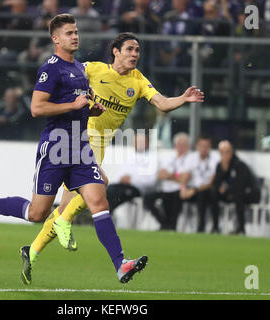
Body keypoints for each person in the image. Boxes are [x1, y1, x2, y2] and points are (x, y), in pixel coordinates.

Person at [0, 14, 148, 286]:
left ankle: (121, 264)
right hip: (57, 147)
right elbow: (37, 108)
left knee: (99, 200)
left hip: (81, 147)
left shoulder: (82, 71)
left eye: (76, 32)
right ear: (55, 39)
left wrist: (90, 108)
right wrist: (72, 106)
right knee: (36, 214)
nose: (75, 36)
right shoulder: (51, 68)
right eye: (69, 33)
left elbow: (80, 104)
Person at [24, 32, 203, 285]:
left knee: (65, 205)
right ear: (116, 52)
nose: (134, 55)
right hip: (80, 136)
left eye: (137, 50)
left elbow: (161, 103)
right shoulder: (93, 69)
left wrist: (183, 99)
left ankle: (31, 251)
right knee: (100, 184)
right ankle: (94, 244)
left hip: (100, 142)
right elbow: (65, 76)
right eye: (129, 49)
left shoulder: (138, 80)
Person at [210, 140, 261, 235]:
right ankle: (215, 227)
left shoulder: (239, 165)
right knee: (213, 194)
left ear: (232, 152)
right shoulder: (219, 165)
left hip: (249, 194)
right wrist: (223, 171)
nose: (224, 155)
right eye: (222, 152)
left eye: (227, 152)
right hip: (230, 193)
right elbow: (216, 183)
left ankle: (241, 228)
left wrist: (226, 190)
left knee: (238, 195)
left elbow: (240, 185)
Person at [144, 132, 190, 231]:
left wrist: (169, 175)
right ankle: (164, 223)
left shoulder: (190, 159)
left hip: (178, 190)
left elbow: (184, 179)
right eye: (179, 144)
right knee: (148, 199)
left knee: (175, 202)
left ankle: (171, 226)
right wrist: (176, 175)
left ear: (187, 146)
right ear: (175, 146)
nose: (181, 147)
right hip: (165, 189)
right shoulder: (169, 158)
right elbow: (160, 175)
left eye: (183, 145)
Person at [105, 133, 157, 213]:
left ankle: (107, 215)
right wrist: (121, 179)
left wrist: (131, 180)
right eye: (136, 142)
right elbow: (119, 174)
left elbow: (151, 181)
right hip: (122, 185)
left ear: (147, 143)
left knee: (117, 195)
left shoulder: (152, 159)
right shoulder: (130, 157)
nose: (138, 144)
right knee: (108, 190)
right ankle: (104, 215)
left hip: (137, 188)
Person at [180, 136, 220, 233]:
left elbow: (213, 181)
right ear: (197, 146)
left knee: (210, 194)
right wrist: (183, 189)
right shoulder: (191, 158)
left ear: (210, 147)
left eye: (207, 146)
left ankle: (212, 226)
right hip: (193, 191)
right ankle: (171, 225)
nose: (204, 148)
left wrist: (196, 190)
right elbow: (185, 176)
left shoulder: (215, 159)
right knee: (173, 196)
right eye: (202, 146)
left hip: (208, 190)